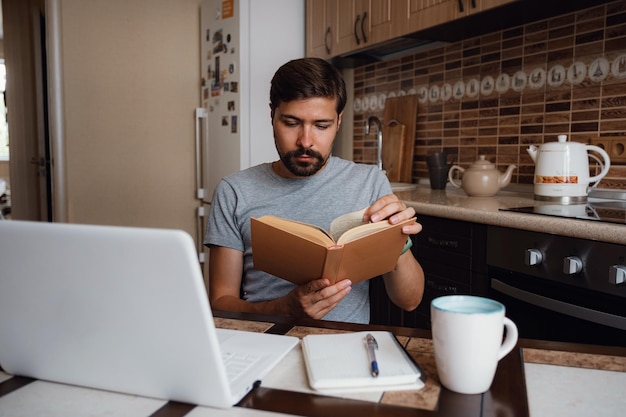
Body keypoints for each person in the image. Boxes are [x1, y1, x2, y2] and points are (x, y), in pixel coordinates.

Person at [204, 57, 424, 324]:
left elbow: (410, 301)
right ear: (272, 115)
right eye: (291, 122)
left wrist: (396, 240)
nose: (305, 141)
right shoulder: (235, 191)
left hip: (345, 349)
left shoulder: (370, 182)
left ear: (338, 122)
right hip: (268, 344)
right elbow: (219, 304)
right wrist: (284, 310)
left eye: (321, 126)